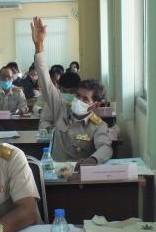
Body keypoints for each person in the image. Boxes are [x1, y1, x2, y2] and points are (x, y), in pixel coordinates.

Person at [31, 16, 113, 167]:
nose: (78, 100)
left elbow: (105, 147)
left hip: (80, 175)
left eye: (85, 99)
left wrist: (92, 160)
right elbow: (45, 80)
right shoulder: (61, 108)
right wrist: (39, 45)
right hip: (55, 175)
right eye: (78, 96)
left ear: (95, 104)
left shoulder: (98, 126)